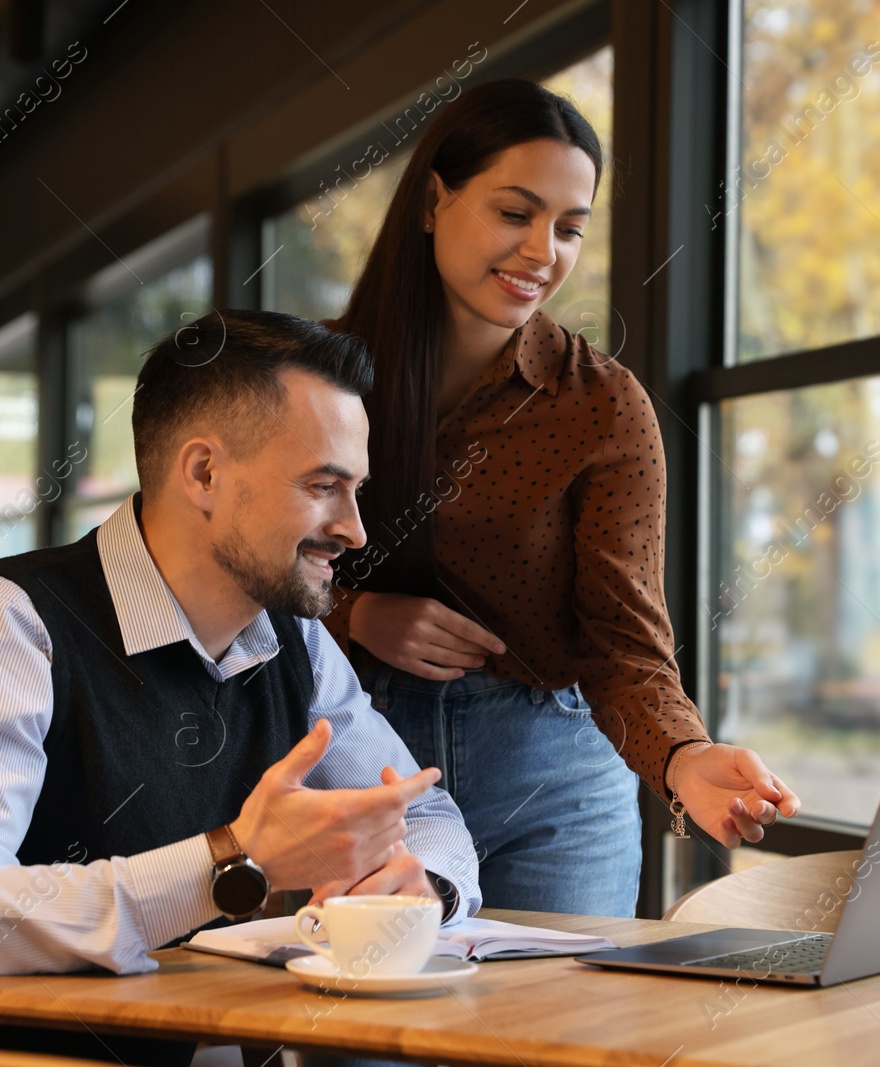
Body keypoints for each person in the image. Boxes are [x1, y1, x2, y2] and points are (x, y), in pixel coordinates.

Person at [0, 310, 480, 1065]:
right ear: (202, 473)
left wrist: (420, 889)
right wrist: (235, 861)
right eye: (322, 486)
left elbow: (422, 808)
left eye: (356, 490)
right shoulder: (0, 625)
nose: (356, 529)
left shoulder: (295, 640)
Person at [318, 77, 801, 918]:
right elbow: (237, 581)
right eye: (515, 213)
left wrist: (684, 754)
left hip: (554, 786)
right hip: (361, 763)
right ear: (434, 201)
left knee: (548, 1042)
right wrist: (352, 614)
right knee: (358, 1041)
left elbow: (626, 643)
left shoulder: (601, 405)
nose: (544, 250)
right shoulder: (314, 381)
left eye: (569, 228)